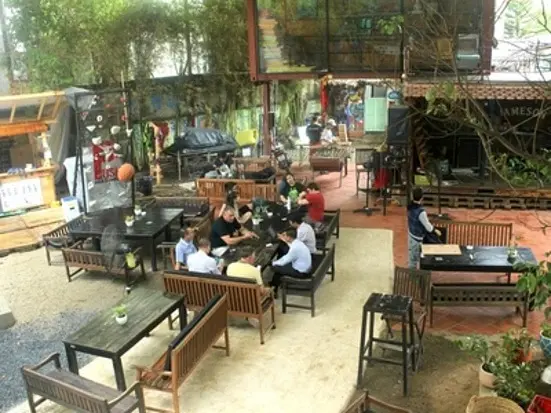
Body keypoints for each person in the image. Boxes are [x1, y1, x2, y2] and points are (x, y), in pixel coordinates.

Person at [270, 228, 312, 297]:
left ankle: (273, 289)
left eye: (285, 235)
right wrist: (284, 239)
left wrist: (272, 263)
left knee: (276, 268)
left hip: (301, 272)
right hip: (305, 267)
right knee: (279, 268)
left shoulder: (294, 249)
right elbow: (290, 245)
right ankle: (274, 285)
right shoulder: (298, 242)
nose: (283, 236)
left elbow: (284, 261)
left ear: (289, 237)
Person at [407, 187, 441, 269]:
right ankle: (412, 275)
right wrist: (435, 230)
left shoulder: (410, 207)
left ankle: (412, 273)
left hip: (410, 235)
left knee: (412, 257)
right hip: (417, 239)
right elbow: (428, 227)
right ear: (422, 198)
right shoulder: (421, 212)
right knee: (414, 260)